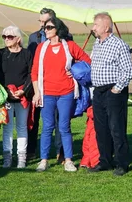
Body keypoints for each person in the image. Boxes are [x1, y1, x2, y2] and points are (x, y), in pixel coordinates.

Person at [31, 16, 91, 172]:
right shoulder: (41, 48)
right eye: (45, 28)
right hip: (47, 94)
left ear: (58, 29)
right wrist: (37, 93)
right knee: (47, 127)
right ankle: (43, 160)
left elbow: (86, 60)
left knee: (64, 127)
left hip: (66, 92)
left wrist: (76, 72)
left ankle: (69, 160)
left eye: (49, 27)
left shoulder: (69, 46)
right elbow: (35, 72)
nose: (46, 30)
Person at [89, 12, 132, 176]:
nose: (93, 28)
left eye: (96, 25)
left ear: (106, 27)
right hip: (98, 91)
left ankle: (122, 163)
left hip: (113, 91)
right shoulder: (97, 43)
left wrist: (117, 88)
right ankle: (105, 161)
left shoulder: (118, 44)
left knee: (116, 128)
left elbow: (128, 71)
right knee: (101, 128)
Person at [27, 8, 64, 162]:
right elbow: (30, 62)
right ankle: (31, 151)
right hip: (37, 83)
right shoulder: (33, 38)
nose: (42, 25)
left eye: (45, 22)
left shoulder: (65, 36)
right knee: (33, 119)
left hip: (55, 83)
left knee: (58, 120)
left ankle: (60, 152)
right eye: (40, 21)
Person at [0, 26, 33, 169]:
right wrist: (6, 91)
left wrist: (24, 90)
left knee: (22, 127)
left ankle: (21, 158)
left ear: (18, 38)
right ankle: (7, 158)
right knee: (7, 127)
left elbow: (31, 74)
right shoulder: (0, 54)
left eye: (10, 37)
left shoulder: (26, 54)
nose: (6, 39)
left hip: (22, 96)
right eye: (4, 37)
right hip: (6, 96)